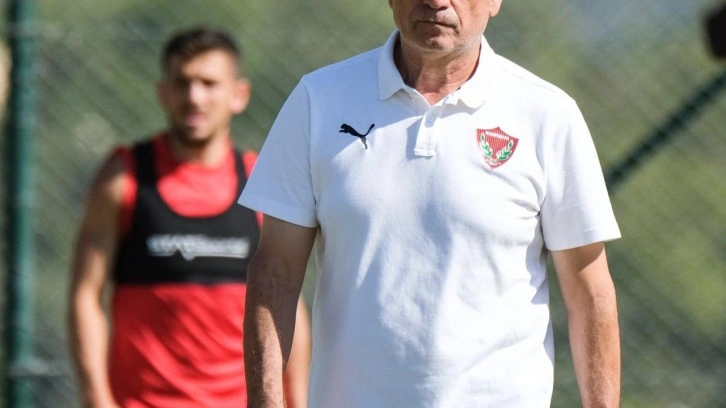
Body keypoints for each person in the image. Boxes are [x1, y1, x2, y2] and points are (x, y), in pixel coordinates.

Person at [239, 1, 622, 407]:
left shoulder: (548, 114)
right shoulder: (318, 100)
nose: (437, 1)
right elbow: (276, 273)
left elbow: (590, 293)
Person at [68, 27, 311, 408]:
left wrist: (297, 398)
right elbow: (85, 295)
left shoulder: (261, 182)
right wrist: (96, 398)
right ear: (162, 92)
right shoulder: (123, 177)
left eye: (209, 84)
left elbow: (288, 302)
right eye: (182, 83)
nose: (194, 97)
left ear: (239, 95)